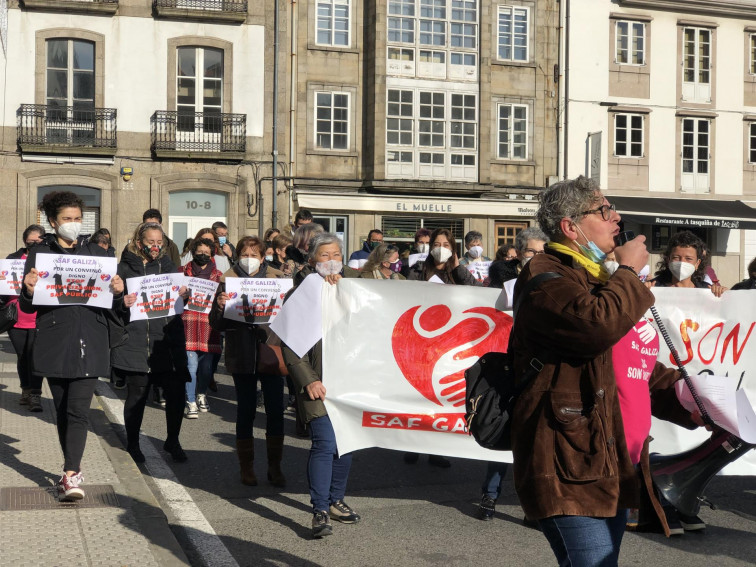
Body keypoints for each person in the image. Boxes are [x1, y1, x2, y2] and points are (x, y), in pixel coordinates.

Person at [510, 176, 704, 565]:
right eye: (603, 210)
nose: (616, 217)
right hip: (569, 461)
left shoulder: (601, 278)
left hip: (615, 460)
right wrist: (629, 274)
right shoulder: (546, 277)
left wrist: (693, 399)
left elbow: (634, 367)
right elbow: (593, 325)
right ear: (571, 227)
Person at [20, 191, 125, 500]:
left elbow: (113, 304)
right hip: (55, 338)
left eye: (78, 218)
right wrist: (27, 290)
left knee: (79, 409)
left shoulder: (99, 253)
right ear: (53, 222)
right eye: (67, 219)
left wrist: (118, 292)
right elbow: (28, 307)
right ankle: (69, 468)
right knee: (64, 409)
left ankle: (71, 474)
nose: (74, 224)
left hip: (91, 338)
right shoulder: (39, 254)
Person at [281, 232, 361, 538]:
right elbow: (290, 346)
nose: (331, 261)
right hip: (317, 382)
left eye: (337, 254)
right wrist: (308, 380)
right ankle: (320, 509)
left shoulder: (356, 288)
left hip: (350, 381)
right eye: (324, 255)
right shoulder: (301, 294)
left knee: (345, 444)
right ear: (313, 260)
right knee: (326, 443)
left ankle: (336, 499)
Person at [210, 236, 287, 487]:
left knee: (275, 410)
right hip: (241, 353)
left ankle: (274, 466)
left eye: (255, 254)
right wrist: (220, 307)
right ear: (237, 256)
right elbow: (217, 324)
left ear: (263, 258)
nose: (249, 259)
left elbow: (291, 319)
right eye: (245, 253)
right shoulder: (226, 279)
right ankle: (247, 467)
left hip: (271, 351)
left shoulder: (278, 280)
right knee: (246, 411)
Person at [112, 222, 191, 464]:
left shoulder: (170, 268)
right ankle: (134, 443)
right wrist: (120, 300)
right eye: (151, 242)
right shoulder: (124, 269)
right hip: (136, 342)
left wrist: (185, 296)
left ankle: (173, 440)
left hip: (167, 343)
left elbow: (180, 305)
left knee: (176, 395)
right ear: (139, 243)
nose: (155, 247)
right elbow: (111, 307)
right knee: (136, 397)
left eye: (160, 243)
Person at [5, 224, 45, 412]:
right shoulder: (12, 259)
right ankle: (26, 390)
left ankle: (36, 394)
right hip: (16, 317)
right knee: (23, 356)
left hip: (39, 316)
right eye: (32, 239)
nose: (35, 242)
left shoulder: (47, 261)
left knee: (36, 356)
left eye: (39, 239)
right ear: (24, 240)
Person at [182, 238, 223, 418]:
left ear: (212, 254)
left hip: (209, 326)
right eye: (199, 252)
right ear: (193, 252)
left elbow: (223, 300)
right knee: (191, 365)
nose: (203, 255)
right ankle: (190, 400)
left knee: (206, 368)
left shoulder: (219, 276)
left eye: (207, 252)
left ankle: (201, 394)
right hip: (188, 323)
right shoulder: (182, 273)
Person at [649, 230, 727, 297]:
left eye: (688, 258)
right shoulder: (653, 287)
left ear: (697, 263)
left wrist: (724, 294)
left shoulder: (707, 290)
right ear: (668, 259)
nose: (682, 262)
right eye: (676, 257)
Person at [495, 227, 549, 310]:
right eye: (531, 251)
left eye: (541, 252)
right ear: (519, 253)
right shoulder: (500, 278)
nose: (537, 256)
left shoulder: (552, 276)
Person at [406, 228, 478, 286]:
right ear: (431, 247)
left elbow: (478, 290)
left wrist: (458, 269)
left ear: (452, 249)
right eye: (436, 245)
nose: (441, 248)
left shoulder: (458, 272)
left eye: (446, 245)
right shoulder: (418, 272)